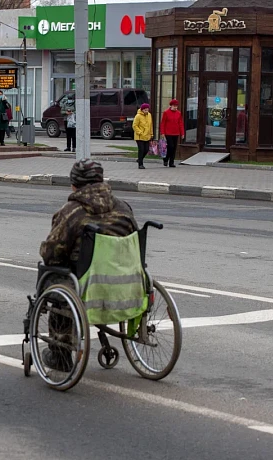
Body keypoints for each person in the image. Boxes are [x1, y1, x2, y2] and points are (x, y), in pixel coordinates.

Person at [39, 160, 139, 371]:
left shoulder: (71, 212)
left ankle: (61, 354)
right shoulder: (124, 208)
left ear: (74, 184)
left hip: (87, 287)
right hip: (127, 286)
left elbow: (52, 253)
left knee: (55, 280)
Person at [159, 99, 185, 168]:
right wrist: (162, 132)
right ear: (171, 106)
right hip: (168, 133)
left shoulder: (178, 113)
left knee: (174, 148)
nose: (175, 107)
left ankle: (171, 162)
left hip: (176, 133)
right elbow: (163, 123)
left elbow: (180, 123)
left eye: (176, 106)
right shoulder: (166, 112)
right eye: (174, 106)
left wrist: (182, 133)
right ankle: (166, 158)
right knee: (170, 146)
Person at [133, 103, 153, 169]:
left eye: (147, 110)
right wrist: (140, 132)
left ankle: (139, 159)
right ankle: (140, 164)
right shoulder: (138, 116)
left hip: (147, 136)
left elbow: (150, 125)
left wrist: (151, 134)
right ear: (142, 110)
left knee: (146, 149)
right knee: (141, 149)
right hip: (139, 136)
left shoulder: (149, 115)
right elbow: (134, 125)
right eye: (145, 110)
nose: (146, 111)